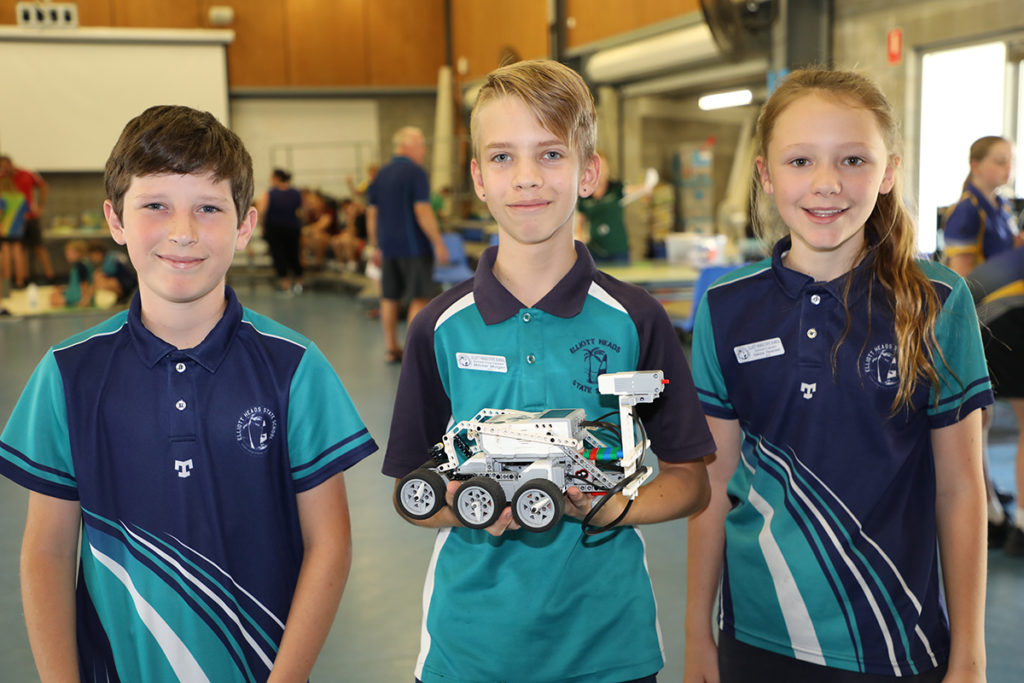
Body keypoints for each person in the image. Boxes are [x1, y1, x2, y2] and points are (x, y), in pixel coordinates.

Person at [0, 105, 377, 682]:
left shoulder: (296, 368)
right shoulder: (66, 374)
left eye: (208, 207)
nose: (183, 232)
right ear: (116, 219)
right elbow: (45, 551)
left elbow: (329, 544)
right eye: (156, 205)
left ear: (244, 226)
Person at [381, 58, 714, 683]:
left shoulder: (636, 319)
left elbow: (690, 482)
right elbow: (411, 492)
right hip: (469, 652)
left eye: (552, 155)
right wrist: (468, 504)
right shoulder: (438, 327)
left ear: (588, 173)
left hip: (610, 647)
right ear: (478, 177)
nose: (527, 178)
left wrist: (595, 507)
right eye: (503, 157)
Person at [684, 68, 992, 683]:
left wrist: (970, 653)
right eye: (800, 161)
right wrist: (697, 636)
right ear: (767, 177)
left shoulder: (936, 300)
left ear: (889, 172)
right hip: (756, 636)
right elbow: (712, 486)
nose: (827, 184)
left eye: (853, 159)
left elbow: (961, 491)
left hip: (895, 640)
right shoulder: (725, 308)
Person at [942, 135, 1022, 545]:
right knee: (977, 420)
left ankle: (993, 507)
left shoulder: (1001, 209)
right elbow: (963, 283)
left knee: (985, 421)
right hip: (984, 321)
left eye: (1010, 162)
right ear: (975, 163)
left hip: (1007, 317)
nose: (1006, 170)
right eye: (998, 161)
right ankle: (986, 510)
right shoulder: (966, 212)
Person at [366, 126, 449, 363]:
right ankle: (415, 354)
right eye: (421, 145)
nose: (424, 150)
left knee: (389, 297)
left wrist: (375, 246)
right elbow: (422, 210)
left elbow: (371, 213)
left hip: (388, 248)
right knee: (419, 298)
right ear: (407, 146)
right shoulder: (416, 173)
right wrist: (438, 242)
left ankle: (391, 347)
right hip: (415, 248)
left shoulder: (381, 174)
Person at [966, 244, 1024, 556]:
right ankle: (1021, 529)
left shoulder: (1008, 258)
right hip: (999, 320)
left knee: (979, 422)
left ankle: (992, 516)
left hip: (971, 323)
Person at [943, 135, 1022, 278]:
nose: (1009, 167)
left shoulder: (1003, 206)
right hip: (984, 296)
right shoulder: (966, 210)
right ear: (975, 166)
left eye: (1012, 162)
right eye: (1001, 162)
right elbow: (961, 277)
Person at [574, 151, 652, 263]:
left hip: (618, 251)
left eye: (604, 167)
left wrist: (647, 187)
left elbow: (635, 190)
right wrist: (580, 238)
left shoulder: (616, 188)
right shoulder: (584, 193)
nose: (601, 171)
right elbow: (580, 222)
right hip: (595, 250)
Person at [0, 154, 55, 288]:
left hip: (23, 220)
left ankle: (48, 276)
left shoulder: (26, 175)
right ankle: (21, 280)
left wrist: (40, 207)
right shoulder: (13, 192)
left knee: (35, 247)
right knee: (19, 250)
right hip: (14, 223)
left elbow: (43, 187)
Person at [256, 168, 304, 293]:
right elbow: (301, 211)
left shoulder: (270, 193)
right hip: (292, 227)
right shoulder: (296, 192)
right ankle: (299, 283)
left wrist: (262, 225)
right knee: (294, 254)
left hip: (274, 228)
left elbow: (262, 211)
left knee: (279, 255)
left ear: (277, 178)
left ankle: (285, 285)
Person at [86, 239, 137, 303]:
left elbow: (102, 279)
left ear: (98, 253)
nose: (93, 259)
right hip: (127, 284)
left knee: (100, 281)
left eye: (92, 256)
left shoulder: (110, 260)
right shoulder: (109, 258)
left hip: (129, 285)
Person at [48, 238, 93, 308]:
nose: (66, 255)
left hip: (77, 297)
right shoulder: (80, 264)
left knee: (54, 299)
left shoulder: (81, 266)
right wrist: (63, 288)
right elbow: (76, 284)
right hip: (75, 293)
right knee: (55, 294)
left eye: (69, 253)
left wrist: (84, 300)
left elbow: (84, 284)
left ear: (78, 253)